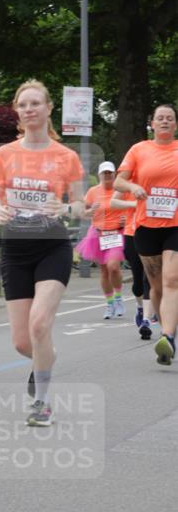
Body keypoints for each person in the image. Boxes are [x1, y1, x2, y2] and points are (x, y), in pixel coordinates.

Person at [0, 79, 84, 426]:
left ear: (48, 109)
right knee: (21, 341)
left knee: (39, 323)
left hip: (52, 247)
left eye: (35, 104)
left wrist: (64, 209)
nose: (29, 110)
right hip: (15, 249)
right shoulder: (5, 154)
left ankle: (41, 404)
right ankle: (47, 356)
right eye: (23, 105)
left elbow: (80, 204)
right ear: (17, 112)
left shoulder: (65, 157)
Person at [114, 103, 178, 366]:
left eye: (170, 118)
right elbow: (118, 182)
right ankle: (168, 337)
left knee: (172, 279)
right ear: (152, 123)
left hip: (175, 224)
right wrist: (133, 186)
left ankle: (168, 335)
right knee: (157, 287)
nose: (164, 122)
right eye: (160, 118)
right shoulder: (139, 150)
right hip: (146, 226)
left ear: (175, 124)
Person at [76, 161, 126, 319]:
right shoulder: (93, 191)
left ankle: (118, 297)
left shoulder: (121, 190)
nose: (107, 176)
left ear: (114, 174)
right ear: (99, 175)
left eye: (110, 173)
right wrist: (90, 210)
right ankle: (110, 303)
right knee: (104, 271)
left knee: (113, 266)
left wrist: (127, 218)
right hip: (98, 234)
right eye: (104, 173)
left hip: (117, 233)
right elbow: (82, 213)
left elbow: (134, 206)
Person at [109, 189, 153, 339]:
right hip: (131, 234)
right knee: (138, 283)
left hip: (152, 232)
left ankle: (146, 320)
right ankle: (140, 308)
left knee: (149, 278)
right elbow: (113, 202)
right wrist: (135, 203)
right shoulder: (129, 182)